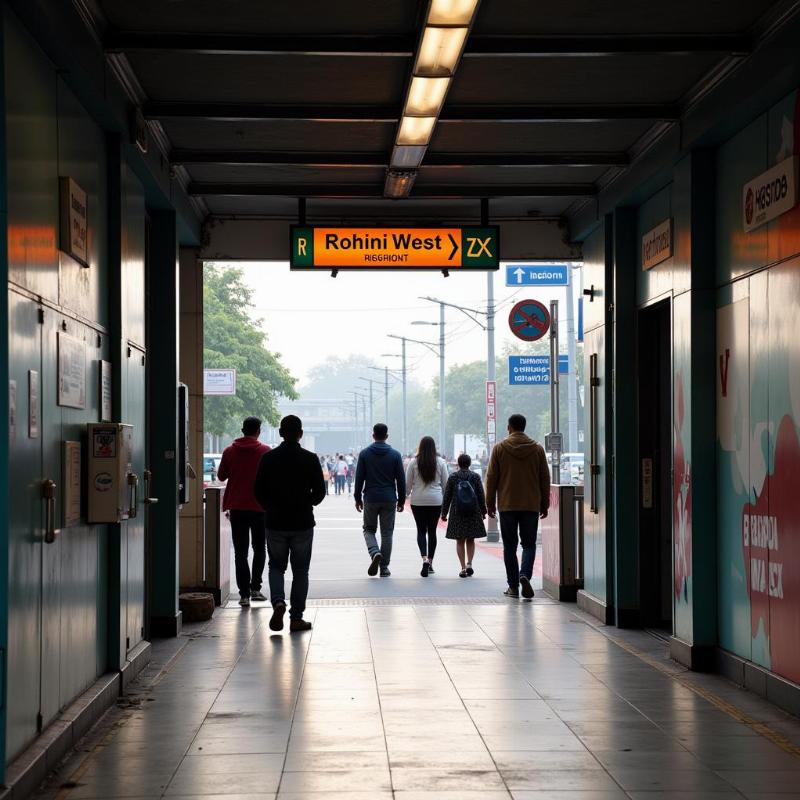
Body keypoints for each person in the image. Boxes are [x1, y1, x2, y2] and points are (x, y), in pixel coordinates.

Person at [253, 415, 326, 632]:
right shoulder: (310, 459)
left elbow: (258, 491)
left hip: (275, 521)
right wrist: (307, 503)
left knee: (276, 566)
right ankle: (296, 618)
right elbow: (320, 492)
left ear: (280, 433)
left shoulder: (268, 458)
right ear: (300, 434)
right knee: (301, 570)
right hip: (302, 521)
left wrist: (270, 507)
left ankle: (278, 602)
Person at [485, 414, 551, 600]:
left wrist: (489, 503)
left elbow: (491, 478)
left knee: (509, 546)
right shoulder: (537, 449)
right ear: (524, 426)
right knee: (529, 544)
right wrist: (544, 504)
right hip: (531, 505)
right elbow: (544, 478)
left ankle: (513, 587)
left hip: (507, 505)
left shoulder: (499, 448)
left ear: (509, 427)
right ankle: (525, 575)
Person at [216, 417, 271, 607]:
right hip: (259, 507)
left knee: (240, 552)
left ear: (242, 429)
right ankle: (256, 588)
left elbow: (221, 476)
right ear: (258, 431)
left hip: (237, 508)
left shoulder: (229, 451)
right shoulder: (265, 451)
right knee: (259, 548)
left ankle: (244, 595)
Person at [354, 423, 405, 577]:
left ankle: (375, 552)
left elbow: (359, 478)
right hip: (389, 498)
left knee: (369, 530)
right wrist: (401, 500)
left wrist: (357, 498)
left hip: (370, 498)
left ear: (373, 435)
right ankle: (384, 567)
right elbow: (401, 480)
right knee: (387, 533)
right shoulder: (395, 455)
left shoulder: (364, 454)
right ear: (387, 436)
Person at [405, 436, 448, 576]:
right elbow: (446, 484)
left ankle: (423, 558)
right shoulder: (440, 462)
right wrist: (447, 503)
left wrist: (402, 498)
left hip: (418, 501)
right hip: (435, 501)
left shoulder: (413, 462)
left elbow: (408, 485)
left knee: (421, 531)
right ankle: (430, 562)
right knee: (432, 532)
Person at [442, 453, 487, 577]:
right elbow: (480, 495)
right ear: (469, 464)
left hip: (457, 512)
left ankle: (462, 567)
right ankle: (469, 564)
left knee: (460, 540)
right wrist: (483, 511)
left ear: (458, 463)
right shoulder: (475, 476)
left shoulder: (453, 477)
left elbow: (447, 496)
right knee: (470, 539)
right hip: (473, 511)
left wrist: (444, 513)